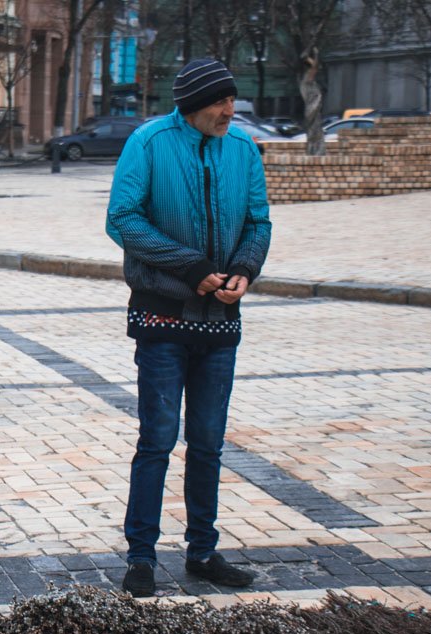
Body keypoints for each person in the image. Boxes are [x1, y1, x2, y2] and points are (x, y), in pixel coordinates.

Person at [105, 58, 272, 598]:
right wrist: (193, 270)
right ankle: (141, 557)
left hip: (221, 319)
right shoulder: (150, 142)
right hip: (162, 317)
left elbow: (258, 221)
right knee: (157, 439)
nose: (229, 111)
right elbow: (123, 219)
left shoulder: (242, 149)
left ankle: (202, 550)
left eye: (230, 101)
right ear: (192, 105)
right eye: (220, 103)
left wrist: (244, 269)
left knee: (207, 441)